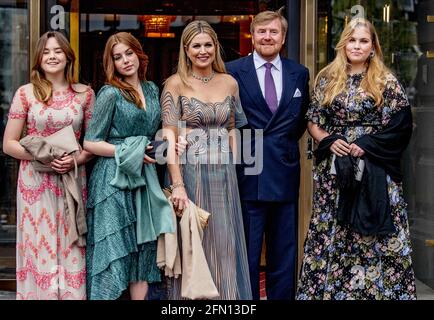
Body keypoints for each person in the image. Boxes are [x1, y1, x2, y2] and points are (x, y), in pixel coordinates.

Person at [296, 18, 416, 300]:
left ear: (373, 46)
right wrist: (329, 140)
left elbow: (401, 125)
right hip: (336, 172)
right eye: (352, 40)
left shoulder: (385, 81)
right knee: (335, 230)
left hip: (375, 168)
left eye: (364, 41)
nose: (357, 46)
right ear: (343, 44)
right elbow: (313, 121)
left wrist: (367, 144)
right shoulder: (326, 78)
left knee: (374, 234)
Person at [161, 20, 252, 300]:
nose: (203, 51)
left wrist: (236, 163)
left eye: (208, 45)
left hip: (223, 175)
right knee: (193, 242)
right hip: (188, 173)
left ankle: (225, 299)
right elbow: (168, 137)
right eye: (196, 46)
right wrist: (177, 184)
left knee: (225, 244)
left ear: (216, 47)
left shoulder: (230, 83)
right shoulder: (174, 84)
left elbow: (233, 128)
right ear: (186, 50)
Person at [3, 31, 95, 300]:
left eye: (57, 51)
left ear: (68, 57)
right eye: (46, 52)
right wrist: (45, 155)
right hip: (35, 183)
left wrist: (75, 159)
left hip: (72, 180)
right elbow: (9, 144)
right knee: (37, 246)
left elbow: (92, 143)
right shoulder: (26, 94)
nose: (52, 56)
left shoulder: (85, 95)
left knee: (71, 245)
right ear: (38, 59)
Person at [83, 32, 174, 300]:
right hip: (113, 181)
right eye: (118, 57)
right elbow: (91, 142)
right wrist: (127, 151)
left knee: (142, 253)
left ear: (139, 53)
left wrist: (170, 146)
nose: (125, 60)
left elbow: (154, 135)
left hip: (145, 180)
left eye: (129, 53)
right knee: (113, 253)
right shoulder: (110, 93)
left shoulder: (152, 89)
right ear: (112, 63)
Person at [226, 10, 310, 300]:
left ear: (284, 37)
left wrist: (280, 145)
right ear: (252, 34)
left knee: (284, 251)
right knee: (247, 252)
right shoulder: (232, 70)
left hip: (284, 169)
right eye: (262, 32)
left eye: (274, 32)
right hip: (248, 170)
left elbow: (299, 122)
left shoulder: (299, 73)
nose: (267, 37)